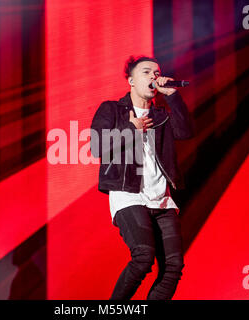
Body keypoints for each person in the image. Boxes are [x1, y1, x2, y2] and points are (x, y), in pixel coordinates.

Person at [90, 56, 194, 300]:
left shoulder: (162, 116)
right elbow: (96, 146)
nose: (153, 77)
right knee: (143, 256)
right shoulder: (112, 109)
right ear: (131, 81)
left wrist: (172, 95)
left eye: (157, 73)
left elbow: (186, 131)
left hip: (161, 199)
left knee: (173, 266)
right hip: (128, 194)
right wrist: (131, 129)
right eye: (147, 72)